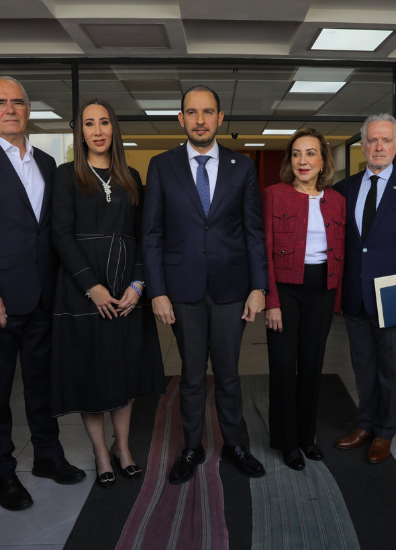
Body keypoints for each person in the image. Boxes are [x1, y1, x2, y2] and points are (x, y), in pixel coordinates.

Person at [0, 76, 84, 512]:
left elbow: (49, 232)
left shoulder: (46, 161)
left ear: (29, 110)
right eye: (0, 103)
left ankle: (47, 457)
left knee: (43, 387)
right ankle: (3, 471)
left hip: (42, 298)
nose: (10, 109)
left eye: (18, 102)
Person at [142, 85, 268, 484]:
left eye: (207, 112)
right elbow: (152, 233)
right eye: (192, 113)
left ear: (220, 119)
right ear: (181, 119)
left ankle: (233, 445)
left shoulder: (242, 166)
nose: (200, 120)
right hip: (182, 291)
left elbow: (253, 231)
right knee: (192, 374)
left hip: (233, 289)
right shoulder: (161, 166)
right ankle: (192, 447)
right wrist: (158, 290)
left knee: (229, 374)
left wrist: (258, 286)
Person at [50, 99, 165, 488]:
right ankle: (101, 451)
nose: (97, 130)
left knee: (125, 371)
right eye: (88, 124)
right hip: (84, 290)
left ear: (114, 129)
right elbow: (60, 236)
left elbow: (141, 235)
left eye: (104, 122)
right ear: (79, 131)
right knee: (92, 374)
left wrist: (138, 283)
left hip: (126, 289)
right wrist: (91, 286)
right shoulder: (66, 176)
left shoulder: (131, 175)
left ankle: (124, 447)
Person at [333, 113, 396, 464]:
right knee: (363, 367)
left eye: (385, 140)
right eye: (372, 140)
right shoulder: (343, 190)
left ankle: (386, 432)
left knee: (393, 370)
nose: (378, 147)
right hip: (356, 298)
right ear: (363, 146)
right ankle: (365, 423)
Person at [263, 128, 345, 471]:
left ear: (323, 159)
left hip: (322, 290)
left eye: (310, 153)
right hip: (286, 289)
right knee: (284, 368)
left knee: (312, 366)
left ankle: (306, 438)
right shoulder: (273, 195)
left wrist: (337, 300)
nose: (303, 161)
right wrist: (272, 301)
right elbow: (264, 251)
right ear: (289, 160)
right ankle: (286, 442)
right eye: (296, 154)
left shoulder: (337, 200)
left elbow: (343, 253)